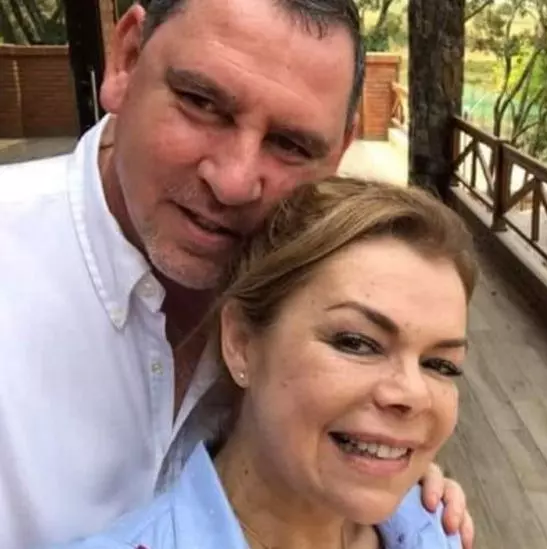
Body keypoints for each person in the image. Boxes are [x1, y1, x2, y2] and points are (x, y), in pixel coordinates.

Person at [0, 0, 475, 547]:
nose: (233, 181)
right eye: (201, 103)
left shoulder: (301, 294)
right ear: (127, 58)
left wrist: (376, 470)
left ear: (339, 151)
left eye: (291, 145)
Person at [48, 177, 477, 549]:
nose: (413, 394)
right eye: (357, 343)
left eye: (441, 365)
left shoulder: (436, 529)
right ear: (240, 342)